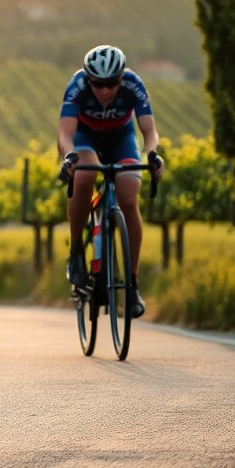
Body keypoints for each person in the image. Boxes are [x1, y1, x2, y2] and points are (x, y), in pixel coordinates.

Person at [57, 44, 163, 318]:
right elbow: (65, 134)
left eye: (112, 83)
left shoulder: (133, 84)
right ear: (88, 79)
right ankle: (77, 252)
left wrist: (152, 155)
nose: (105, 90)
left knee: (129, 198)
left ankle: (132, 284)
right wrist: (68, 157)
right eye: (98, 83)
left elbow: (149, 130)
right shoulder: (77, 85)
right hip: (85, 138)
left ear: (121, 77)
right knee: (85, 174)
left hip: (121, 138)